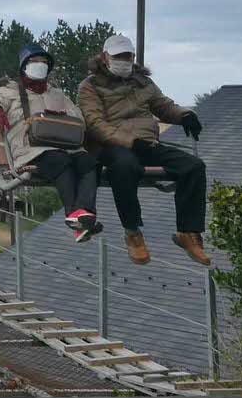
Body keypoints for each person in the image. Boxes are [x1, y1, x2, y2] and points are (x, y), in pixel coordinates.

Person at [78, 33, 209, 266]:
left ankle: (188, 232)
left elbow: (163, 105)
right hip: (110, 145)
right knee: (125, 166)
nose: (124, 60)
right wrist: (129, 142)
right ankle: (133, 232)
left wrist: (185, 115)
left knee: (193, 166)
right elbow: (95, 124)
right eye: (119, 56)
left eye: (127, 56)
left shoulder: (143, 82)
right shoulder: (90, 86)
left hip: (146, 142)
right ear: (105, 57)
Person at [0, 44, 102, 242]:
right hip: (32, 150)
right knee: (61, 162)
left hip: (65, 146)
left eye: (43, 63)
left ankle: (84, 214)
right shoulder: (10, 92)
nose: (39, 66)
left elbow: (79, 119)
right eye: (34, 62)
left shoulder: (57, 94)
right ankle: (74, 213)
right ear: (24, 67)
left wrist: (62, 118)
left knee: (89, 163)